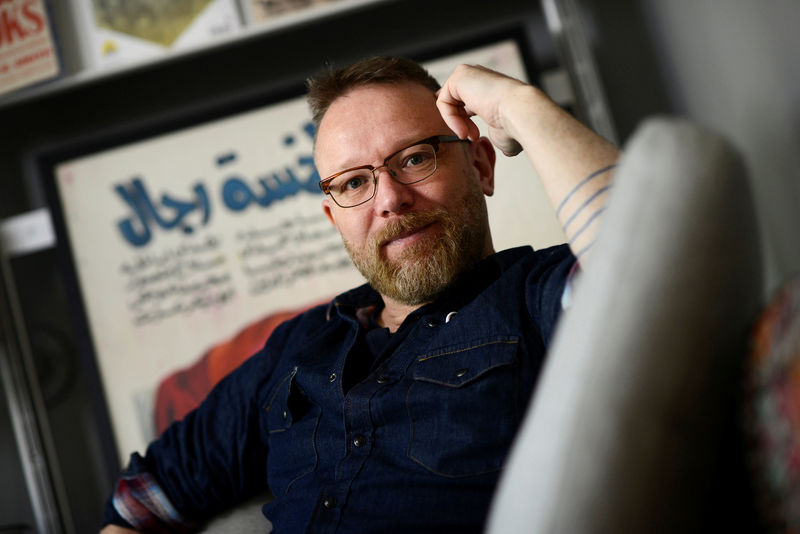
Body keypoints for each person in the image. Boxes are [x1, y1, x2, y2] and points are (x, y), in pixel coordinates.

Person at [100, 56, 619, 533]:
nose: (390, 199)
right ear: (335, 218)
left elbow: (654, 263)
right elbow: (139, 506)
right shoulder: (299, 346)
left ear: (481, 166)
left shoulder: (538, 296)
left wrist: (518, 103)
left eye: (416, 158)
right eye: (352, 184)